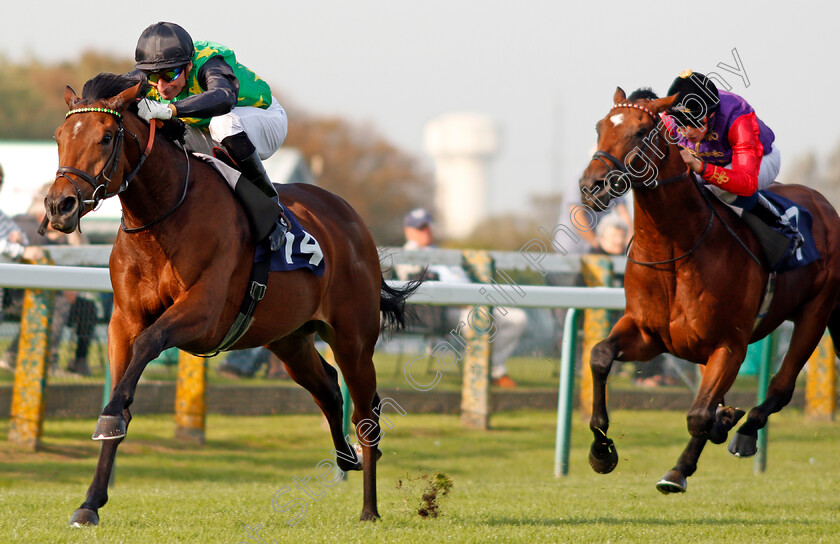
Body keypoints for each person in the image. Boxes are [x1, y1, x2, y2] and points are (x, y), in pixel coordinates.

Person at [132, 21, 289, 252]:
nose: (161, 86)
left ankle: (270, 210)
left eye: (169, 74)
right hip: (214, 131)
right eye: (153, 77)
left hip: (265, 121)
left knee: (221, 122)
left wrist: (171, 110)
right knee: (163, 133)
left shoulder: (209, 62)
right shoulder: (153, 74)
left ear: (188, 65)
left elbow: (223, 97)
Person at [664, 70, 803, 251]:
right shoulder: (670, 118)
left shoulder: (737, 117)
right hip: (717, 163)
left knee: (721, 189)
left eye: (695, 122)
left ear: (711, 115)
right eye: (681, 123)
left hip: (761, 160)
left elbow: (746, 183)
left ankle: (782, 225)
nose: (688, 131)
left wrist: (700, 166)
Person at [397, 208, 527, 388]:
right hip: (442, 312)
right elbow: (421, 289)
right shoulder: (407, 254)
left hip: (474, 304)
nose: (425, 231)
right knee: (475, 322)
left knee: (517, 318)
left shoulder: (441, 251)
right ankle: (479, 378)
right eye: (420, 228)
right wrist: (462, 302)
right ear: (408, 232)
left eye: (427, 226)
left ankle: (491, 367)